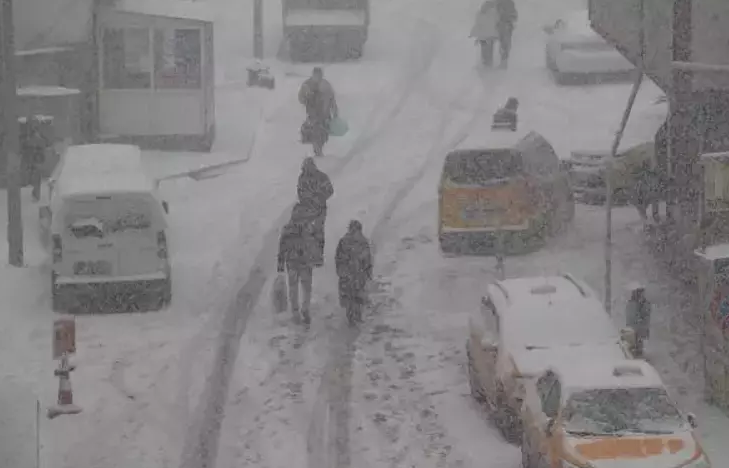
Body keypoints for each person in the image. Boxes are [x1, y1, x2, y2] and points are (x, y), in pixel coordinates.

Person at [277, 217, 320, 324]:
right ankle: (305, 308)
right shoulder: (309, 228)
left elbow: (282, 247)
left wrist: (280, 262)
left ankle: (295, 311)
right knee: (306, 288)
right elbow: (314, 244)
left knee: (293, 288)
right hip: (305, 262)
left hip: (291, 262)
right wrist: (316, 258)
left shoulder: (287, 230)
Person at [297, 157, 334, 264]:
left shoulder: (322, 177)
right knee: (306, 232)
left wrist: (319, 197)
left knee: (318, 232)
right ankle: (308, 255)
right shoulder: (302, 178)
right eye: (306, 167)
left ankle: (318, 257)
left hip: (320, 209)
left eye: (309, 167)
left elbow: (330, 190)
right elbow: (300, 192)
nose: (307, 169)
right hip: (307, 210)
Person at [335, 220, 373, 324]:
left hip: (354, 274)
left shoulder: (346, 241)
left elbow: (338, 258)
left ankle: (355, 316)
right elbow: (339, 258)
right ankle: (353, 316)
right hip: (353, 274)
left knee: (355, 295)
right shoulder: (361, 242)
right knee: (353, 295)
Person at [299, 67, 338, 157]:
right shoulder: (307, 85)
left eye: (319, 75)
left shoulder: (326, 85)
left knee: (324, 133)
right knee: (316, 131)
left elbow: (332, 99)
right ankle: (317, 149)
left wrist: (335, 110)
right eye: (316, 75)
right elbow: (301, 97)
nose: (318, 77)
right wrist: (307, 98)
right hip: (313, 114)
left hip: (325, 114)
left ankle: (319, 146)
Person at [21, 116, 49, 202]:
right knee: (34, 176)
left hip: (34, 159)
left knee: (35, 176)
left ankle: (35, 194)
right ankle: (35, 194)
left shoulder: (31, 139)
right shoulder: (34, 139)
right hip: (34, 159)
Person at [625, 284, 651, 358]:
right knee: (635, 347)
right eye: (641, 293)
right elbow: (633, 318)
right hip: (635, 330)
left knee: (637, 347)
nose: (643, 295)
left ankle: (637, 354)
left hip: (637, 330)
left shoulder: (641, 303)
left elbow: (646, 316)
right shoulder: (634, 304)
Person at [470, 0, 498, 66]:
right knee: (489, 51)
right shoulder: (494, 12)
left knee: (484, 51)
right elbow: (496, 23)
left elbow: (477, 24)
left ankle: (485, 64)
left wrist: (475, 33)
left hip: (483, 37)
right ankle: (488, 65)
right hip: (490, 37)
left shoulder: (480, 12)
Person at [495, 0, 517, 68]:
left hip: (506, 26)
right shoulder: (499, 2)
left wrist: (509, 21)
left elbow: (514, 15)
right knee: (504, 44)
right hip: (503, 26)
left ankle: (504, 63)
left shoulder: (509, 3)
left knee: (505, 44)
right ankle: (503, 62)